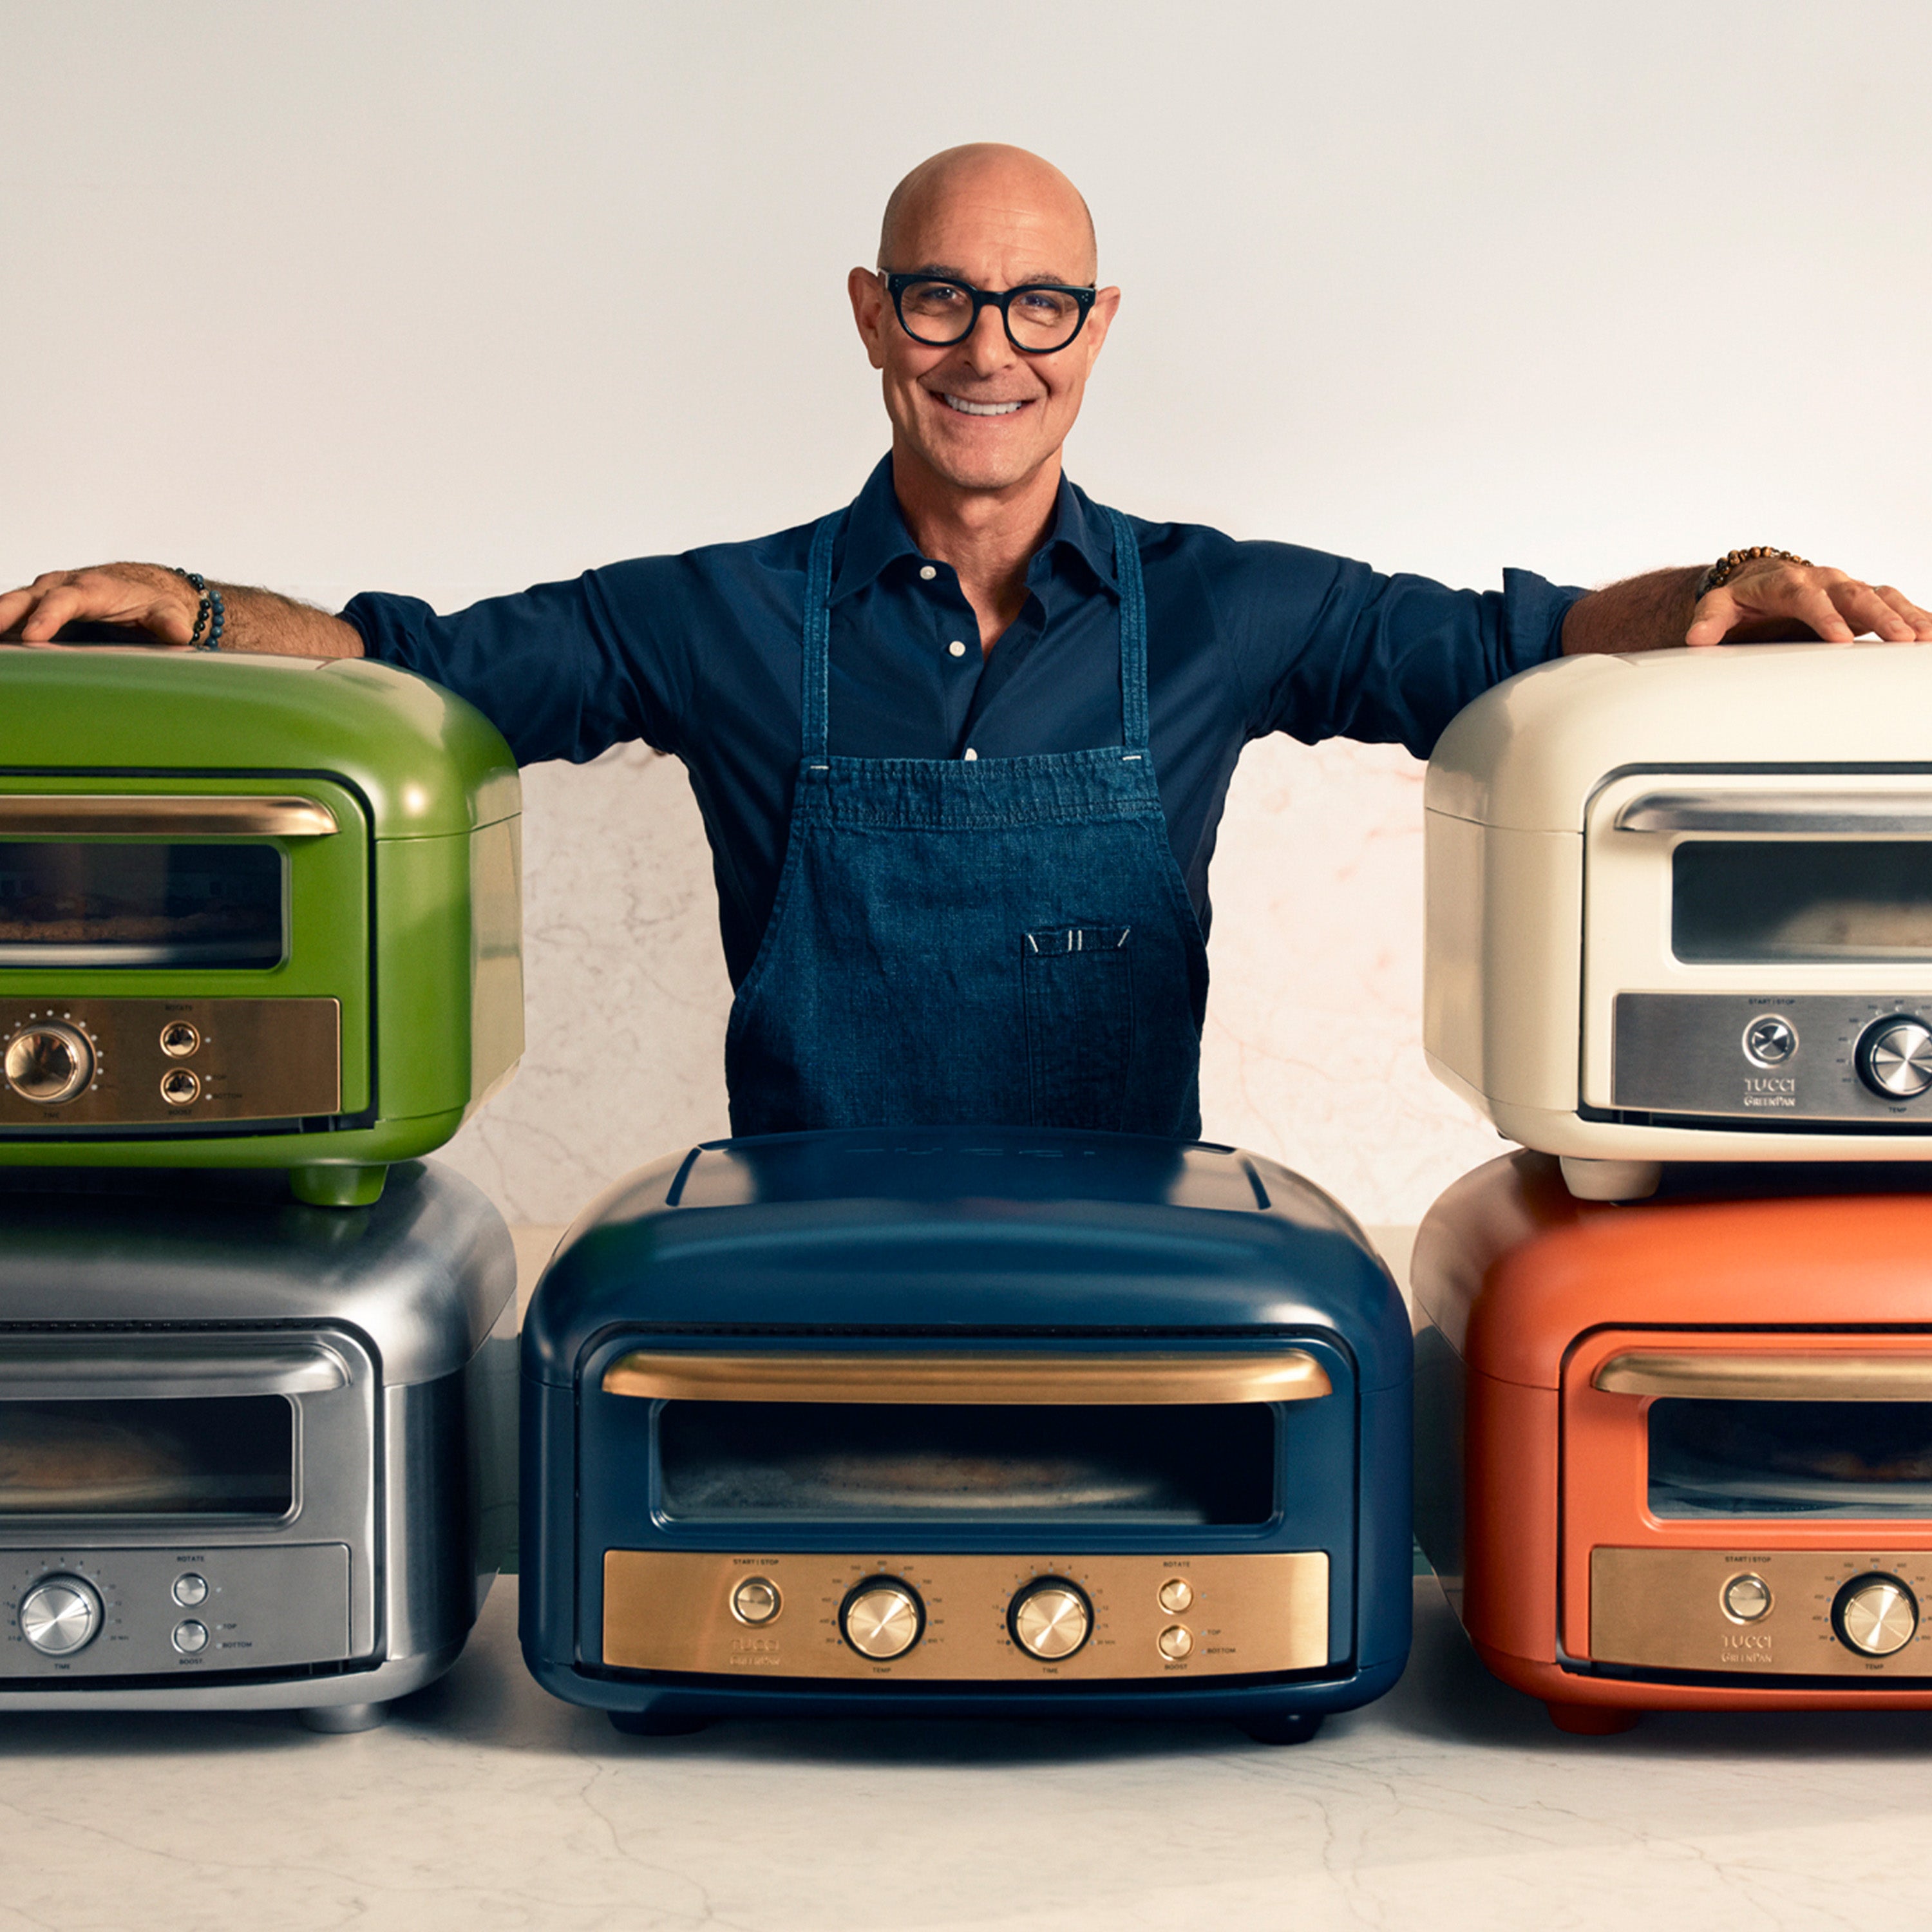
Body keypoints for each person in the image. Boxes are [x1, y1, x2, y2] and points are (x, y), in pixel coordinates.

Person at [6, 145, 1930, 1141]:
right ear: (869, 312)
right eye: (940, 297)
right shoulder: (716, 615)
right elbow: (410, 666)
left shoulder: (1231, 607)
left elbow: (1496, 652)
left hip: (1135, 1265)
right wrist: (183, 609)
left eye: (1036, 304)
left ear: (1098, 328)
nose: (986, 350)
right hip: (798, 1266)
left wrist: (1729, 581)